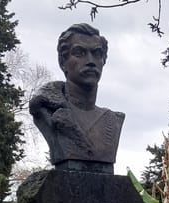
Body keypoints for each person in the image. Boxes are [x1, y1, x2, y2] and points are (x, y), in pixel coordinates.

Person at [29, 24, 124, 171]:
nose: (90, 61)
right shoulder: (47, 111)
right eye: (79, 53)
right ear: (63, 62)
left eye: (97, 53)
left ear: (103, 60)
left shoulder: (113, 120)